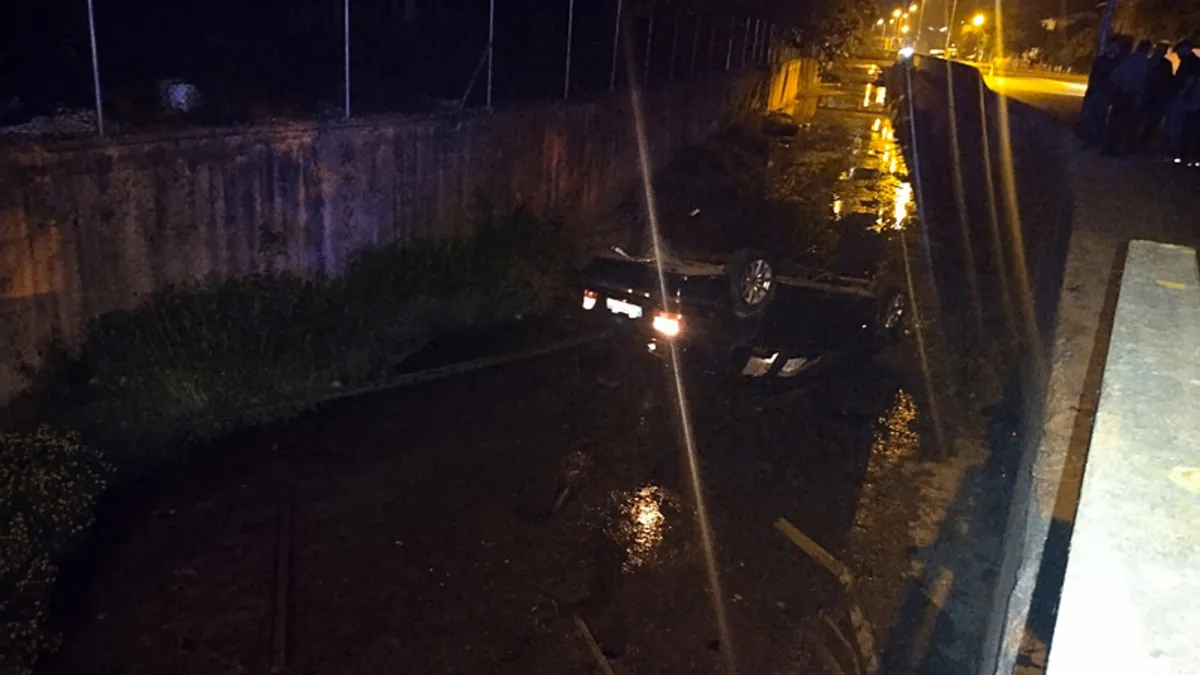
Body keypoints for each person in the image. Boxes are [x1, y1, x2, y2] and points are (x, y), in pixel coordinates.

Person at [1104, 38, 1152, 155]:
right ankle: (1121, 148)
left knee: (1115, 121)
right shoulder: (1145, 63)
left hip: (1120, 94)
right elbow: (1144, 82)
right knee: (1127, 124)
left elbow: (1114, 76)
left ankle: (1109, 147)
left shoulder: (1129, 60)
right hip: (1132, 96)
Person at [1079, 37, 1126, 146]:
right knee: (1093, 115)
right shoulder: (1101, 60)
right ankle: (1090, 138)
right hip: (1097, 90)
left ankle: (1096, 138)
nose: (1113, 48)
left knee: (1101, 116)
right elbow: (1094, 75)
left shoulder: (1117, 62)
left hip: (1107, 92)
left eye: (1115, 46)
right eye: (1112, 46)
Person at [1167, 40, 1200, 163]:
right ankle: (1181, 153)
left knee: (1177, 126)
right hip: (1190, 100)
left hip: (1186, 99)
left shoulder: (1189, 63)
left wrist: (1182, 93)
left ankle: (1176, 153)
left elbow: (1190, 79)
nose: (1177, 55)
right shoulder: (1193, 62)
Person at [1141, 43, 1175, 146]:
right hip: (1150, 93)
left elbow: (1168, 80)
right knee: (1145, 117)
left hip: (1157, 94)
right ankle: (1142, 138)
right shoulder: (1149, 62)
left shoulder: (1164, 64)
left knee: (1153, 119)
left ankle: (1145, 138)